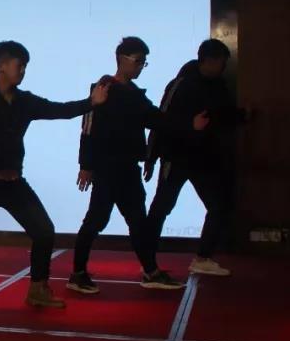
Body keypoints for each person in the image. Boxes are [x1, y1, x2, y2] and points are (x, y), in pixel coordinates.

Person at [0, 40, 110, 308]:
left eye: (25, 66)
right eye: (20, 65)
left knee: (44, 231)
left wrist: (91, 103)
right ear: (1, 66)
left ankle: (38, 289)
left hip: (14, 184)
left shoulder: (25, 101)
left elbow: (58, 109)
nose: (23, 71)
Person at [68, 36, 208, 295]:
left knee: (136, 220)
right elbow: (88, 129)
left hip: (128, 167)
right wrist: (86, 165)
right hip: (107, 167)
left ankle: (151, 271)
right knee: (97, 219)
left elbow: (157, 119)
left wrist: (189, 125)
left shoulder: (134, 95)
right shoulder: (103, 88)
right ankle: (78, 273)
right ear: (121, 60)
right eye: (138, 61)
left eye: (144, 62)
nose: (141, 67)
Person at [145, 38, 247, 276]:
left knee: (218, 205)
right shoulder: (181, 84)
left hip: (203, 157)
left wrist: (242, 116)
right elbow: (161, 120)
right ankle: (146, 256)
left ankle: (203, 257)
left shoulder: (219, 85)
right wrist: (151, 157)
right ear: (209, 61)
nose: (223, 67)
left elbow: (223, 115)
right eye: (221, 62)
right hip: (176, 155)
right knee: (162, 206)